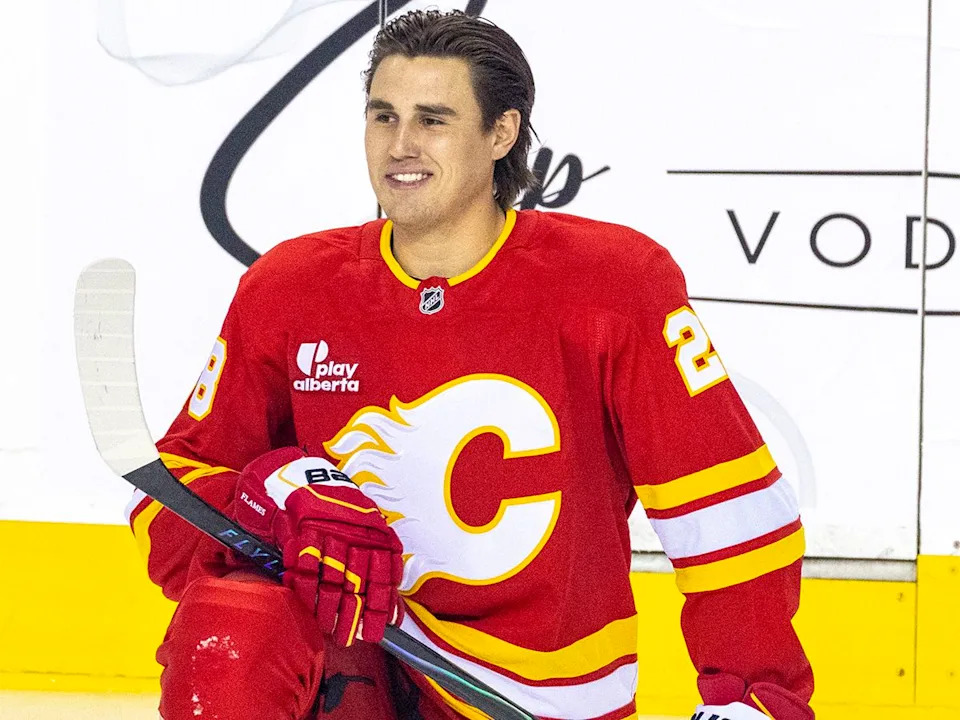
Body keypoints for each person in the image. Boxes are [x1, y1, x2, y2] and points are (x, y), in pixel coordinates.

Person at [126, 9, 814, 720]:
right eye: (383, 116)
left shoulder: (613, 283)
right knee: (234, 624)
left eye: (433, 120)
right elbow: (166, 500)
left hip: (534, 696)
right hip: (359, 666)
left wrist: (752, 693)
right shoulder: (292, 286)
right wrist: (272, 497)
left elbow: (727, 508)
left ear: (501, 133)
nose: (400, 145)